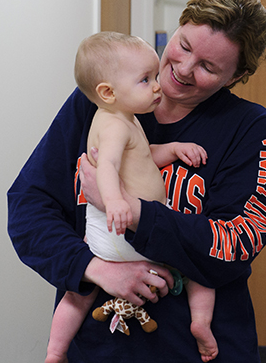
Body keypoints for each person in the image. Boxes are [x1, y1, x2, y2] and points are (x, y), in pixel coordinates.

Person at [7, 0, 266, 363]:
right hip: (101, 346)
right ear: (178, 27)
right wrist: (94, 268)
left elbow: (237, 242)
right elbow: (29, 206)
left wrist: (134, 212)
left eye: (208, 67)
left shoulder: (247, 126)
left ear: (236, 76)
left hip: (196, 351)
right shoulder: (101, 102)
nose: (183, 69)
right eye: (183, 45)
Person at [45, 31, 219, 363]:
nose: (157, 86)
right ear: (108, 92)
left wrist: (172, 149)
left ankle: (55, 350)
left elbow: (139, 158)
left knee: (78, 296)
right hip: (124, 227)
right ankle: (201, 323)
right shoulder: (117, 126)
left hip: (105, 236)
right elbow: (107, 166)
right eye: (144, 80)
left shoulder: (119, 117)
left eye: (154, 76)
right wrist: (116, 203)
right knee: (201, 267)